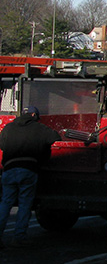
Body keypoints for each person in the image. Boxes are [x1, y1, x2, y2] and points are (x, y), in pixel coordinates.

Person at [0, 106, 60, 248]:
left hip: (9, 169)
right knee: (24, 204)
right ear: (34, 115)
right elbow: (55, 137)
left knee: (5, 203)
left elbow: (2, 145)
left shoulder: (8, 128)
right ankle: (19, 237)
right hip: (28, 169)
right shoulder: (39, 128)